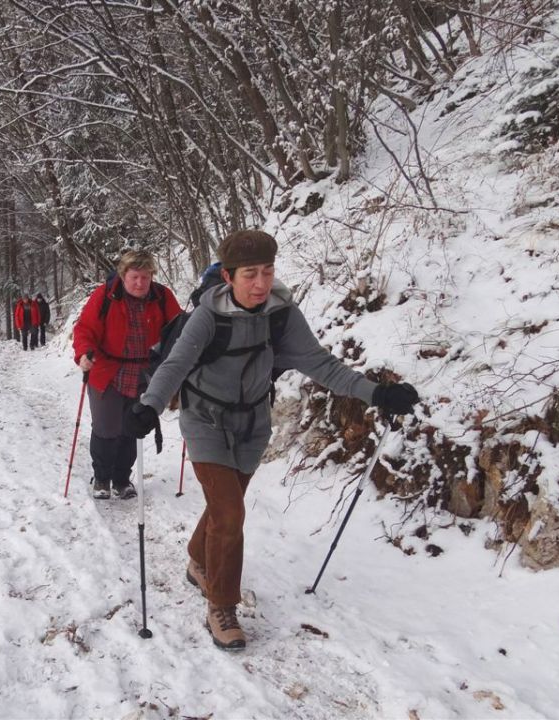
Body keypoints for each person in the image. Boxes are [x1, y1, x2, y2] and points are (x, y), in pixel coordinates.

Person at [123, 229, 419, 651]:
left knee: (225, 507)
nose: (260, 283)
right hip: (204, 421)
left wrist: (378, 393)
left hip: (253, 425)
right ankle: (222, 605)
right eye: (249, 274)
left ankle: (198, 559)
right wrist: (149, 406)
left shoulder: (281, 315)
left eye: (267, 271)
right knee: (229, 513)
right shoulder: (208, 316)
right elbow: (175, 365)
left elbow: (321, 365)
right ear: (228, 276)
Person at [72, 250, 182, 500]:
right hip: (107, 371)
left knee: (131, 428)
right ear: (123, 276)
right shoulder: (105, 296)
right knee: (106, 427)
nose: (140, 283)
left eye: (145, 277)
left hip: (145, 373)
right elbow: (85, 329)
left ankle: (122, 479)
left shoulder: (162, 297)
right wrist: (83, 354)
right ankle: (101, 477)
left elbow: (180, 330)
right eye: (134, 277)